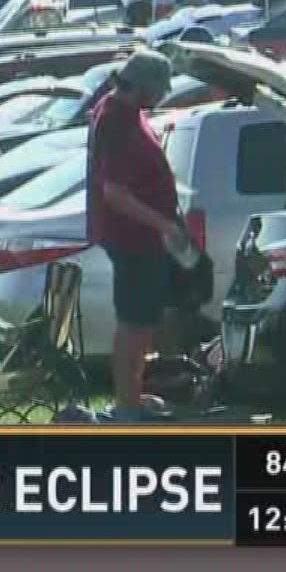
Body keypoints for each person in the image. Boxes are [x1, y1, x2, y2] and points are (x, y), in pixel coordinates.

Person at [85, 51, 187, 422]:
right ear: (142, 87)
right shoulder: (117, 121)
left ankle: (134, 396)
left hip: (138, 238)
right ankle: (128, 406)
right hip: (133, 239)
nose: (160, 97)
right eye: (157, 90)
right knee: (134, 324)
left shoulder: (121, 110)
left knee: (142, 322)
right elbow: (115, 192)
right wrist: (164, 225)